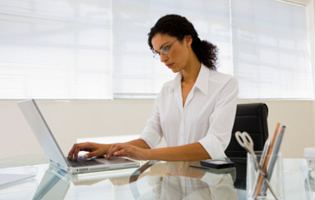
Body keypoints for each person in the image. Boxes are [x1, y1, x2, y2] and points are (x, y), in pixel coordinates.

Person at [68, 14, 238, 161]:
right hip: (174, 183)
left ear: (188, 40)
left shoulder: (224, 85)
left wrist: (146, 155)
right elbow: (148, 140)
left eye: (166, 48)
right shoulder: (166, 91)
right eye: (158, 53)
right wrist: (106, 148)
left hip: (209, 186)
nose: (163, 59)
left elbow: (213, 145)